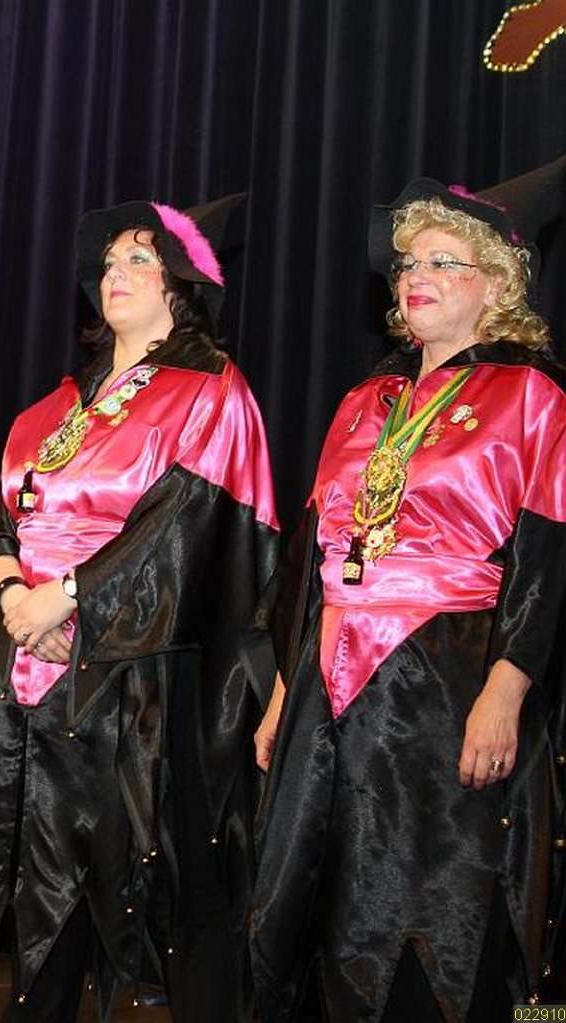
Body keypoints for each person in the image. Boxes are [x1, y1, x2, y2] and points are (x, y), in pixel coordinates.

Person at [252, 162, 566, 1021]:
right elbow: (311, 559)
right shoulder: (366, 401)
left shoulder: (533, 396)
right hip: (329, 682)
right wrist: (282, 692)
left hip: (445, 678)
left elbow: (547, 558)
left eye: (440, 261)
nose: (414, 276)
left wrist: (507, 689)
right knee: (320, 894)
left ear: (495, 284)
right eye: (407, 264)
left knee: (438, 905)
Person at [0, 198, 279, 1022]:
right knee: (43, 886)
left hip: (138, 686)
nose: (116, 273)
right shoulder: (55, 406)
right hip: (35, 668)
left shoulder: (209, 390)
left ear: (180, 283)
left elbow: (179, 523)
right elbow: (1, 514)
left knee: (157, 889)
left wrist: (67, 598)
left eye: (139, 259)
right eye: (108, 262)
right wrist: (12, 593)